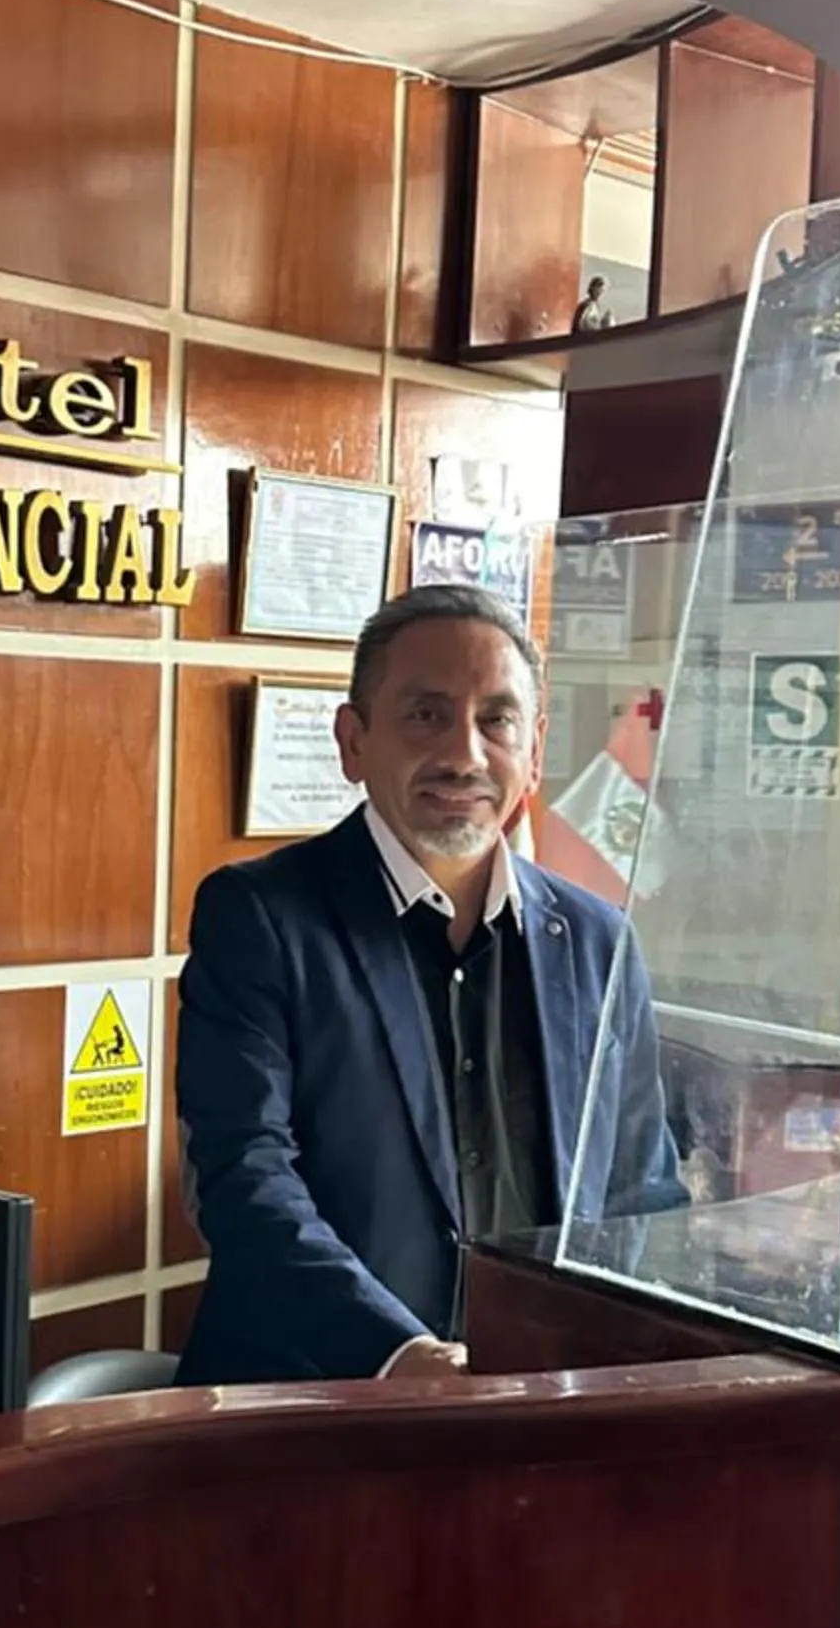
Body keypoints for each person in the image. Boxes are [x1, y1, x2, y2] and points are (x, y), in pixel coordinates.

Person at [175, 584, 679, 1386]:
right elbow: (243, 1182)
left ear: (536, 749)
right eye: (425, 714)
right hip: (313, 1413)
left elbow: (641, 1194)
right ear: (353, 740)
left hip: (543, 1410)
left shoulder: (597, 942)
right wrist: (400, 1357)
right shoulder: (261, 919)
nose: (464, 755)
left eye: (496, 720)